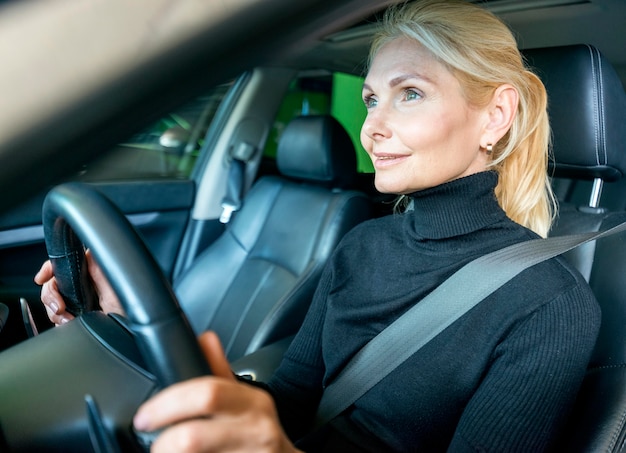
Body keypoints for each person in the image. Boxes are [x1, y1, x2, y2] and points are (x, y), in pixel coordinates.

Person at [35, 0, 600, 451]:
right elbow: (291, 402)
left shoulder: (549, 305)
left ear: (495, 117)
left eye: (410, 94)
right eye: (371, 98)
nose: (372, 126)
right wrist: (123, 318)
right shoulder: (363, 244)